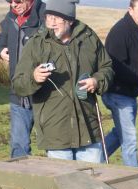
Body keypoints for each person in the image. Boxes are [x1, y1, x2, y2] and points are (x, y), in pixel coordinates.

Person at [11, 0, 113, 163]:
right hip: (55, 130)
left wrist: (97, 80)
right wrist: (34, 78)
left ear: (70, 20)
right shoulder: (36, 43)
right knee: (64, 183)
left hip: (88, 129)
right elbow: (18, 84)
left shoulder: (89, 38)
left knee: (92, 182)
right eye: (48, 17)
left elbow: (107, 67)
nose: (51, 22)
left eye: (57, 18)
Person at [102, 0, 138, 167]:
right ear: (130, 10)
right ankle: (134, 179)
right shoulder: (122, 31)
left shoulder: (136, 29)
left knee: (120, 134)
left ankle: (94, 159)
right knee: (129, 140)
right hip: (118, 93)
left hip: (126, 94)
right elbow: (117, 67)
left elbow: (132, 61)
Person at [0, 0, 47, 159]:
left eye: (18, 1)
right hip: (18, 92)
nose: (13, 4)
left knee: (54, 146)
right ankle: (20, 183)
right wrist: (0, 50)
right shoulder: (10, 18)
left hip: (45, 94)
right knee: (19, 146)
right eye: (10, 1)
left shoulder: (47, 16)